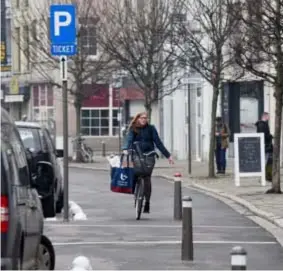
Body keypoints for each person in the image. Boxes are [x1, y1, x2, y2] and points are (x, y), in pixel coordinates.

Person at [122, 112, 174, 213]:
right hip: (136, 154)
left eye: (146, 118)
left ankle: (147, 202)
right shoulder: (133, 128)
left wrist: (168, 156)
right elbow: (129, 139)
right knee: (134, 174)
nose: (144, 120)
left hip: (149, 155)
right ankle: (135, 193)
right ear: (137, 119)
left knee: (147, 178)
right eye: (142, 118)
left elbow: (158, 142)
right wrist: (125, 148)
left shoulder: (151, 128)